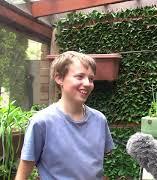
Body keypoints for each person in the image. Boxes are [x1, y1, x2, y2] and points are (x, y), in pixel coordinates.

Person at [15, 51, 115, 179]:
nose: (87, 83)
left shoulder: (100, 120)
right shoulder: (42, 122)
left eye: (91, 78)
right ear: (59, 78)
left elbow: (94, 165)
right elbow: (24, 169)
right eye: (79, 77)